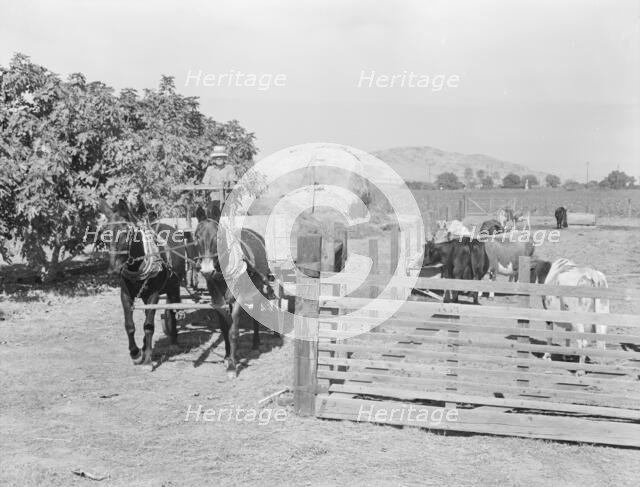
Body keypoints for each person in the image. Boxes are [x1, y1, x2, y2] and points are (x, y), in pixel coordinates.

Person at [202, 145, 236, 217]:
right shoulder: (210, 169)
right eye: (216, 157)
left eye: (221, 157)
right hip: (213, 199)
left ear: (224, 158)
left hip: (227, 200)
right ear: (214, 159)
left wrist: (228, 182)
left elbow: (234, 182)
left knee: (227, 219)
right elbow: (205, 183)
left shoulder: (229, 168)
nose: (219, 158)